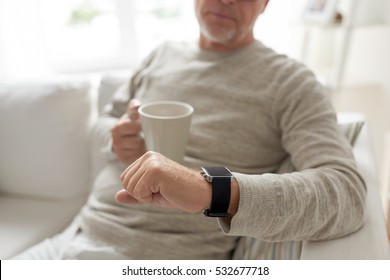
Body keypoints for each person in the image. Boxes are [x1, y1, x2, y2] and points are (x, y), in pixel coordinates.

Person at [13, 0, 366, 260]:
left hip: (160, 261)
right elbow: (107, 119)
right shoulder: (161, 55)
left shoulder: (291, 82)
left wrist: (211, 190)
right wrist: (114, 136)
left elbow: (345, 193)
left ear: (266, 4)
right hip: (71, 238)